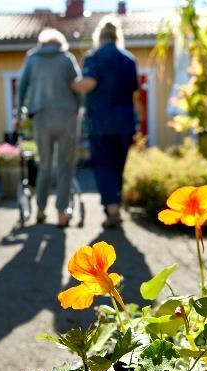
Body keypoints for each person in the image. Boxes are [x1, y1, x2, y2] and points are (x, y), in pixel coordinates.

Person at [72, 17, 138, 228]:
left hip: (102, 123)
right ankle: (115, 205)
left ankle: (112, 210)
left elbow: (89, 83)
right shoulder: (129, 59)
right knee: (118, 167)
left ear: (98, 37)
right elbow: (134, 92)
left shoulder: (94, 58)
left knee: (103, 166)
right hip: (126, 121)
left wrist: (70, 84)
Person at [17, 28, 81, 227]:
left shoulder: (32, 59)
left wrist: (19, 112)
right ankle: (62, 213)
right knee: (65, 166)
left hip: (42, 117)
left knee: (44, 164)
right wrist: (79, 108)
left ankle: (40, 210)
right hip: (67, 117)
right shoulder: (67, 59)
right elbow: (77, 87)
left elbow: (22, 87)